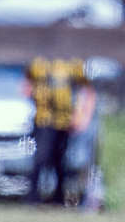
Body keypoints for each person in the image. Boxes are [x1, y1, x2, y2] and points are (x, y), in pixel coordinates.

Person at [24, 56, 90, 206]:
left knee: (60, 161)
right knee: (41, 158)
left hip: (64, 121)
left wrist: (81, 115)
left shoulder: (74, 64)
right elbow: (26, 84)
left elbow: (86, 89)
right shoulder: (38, 62)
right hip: (43, 120)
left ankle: (58, 198)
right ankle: (32, 197)